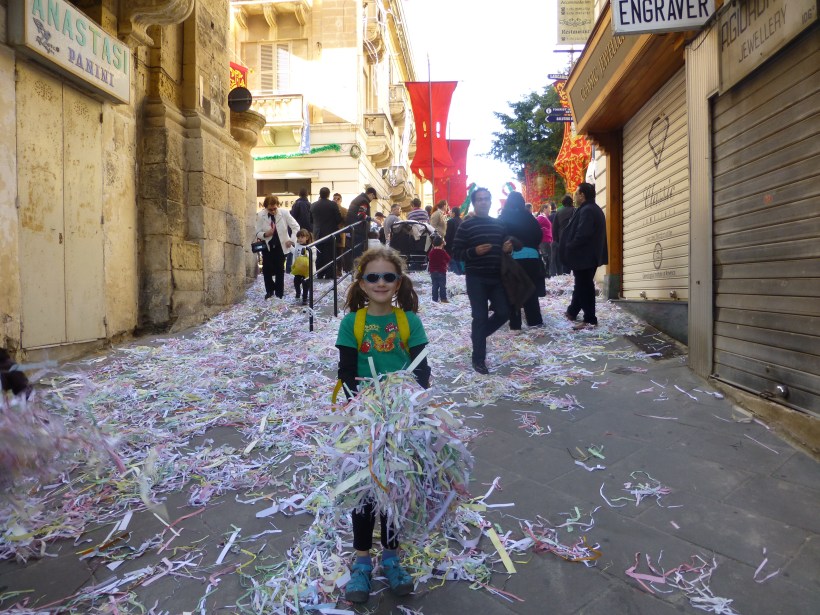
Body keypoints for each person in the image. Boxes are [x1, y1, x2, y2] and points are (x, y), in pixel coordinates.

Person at [335, 246, 430, 604]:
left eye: (388, 276)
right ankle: (361, 561)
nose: (380, 282)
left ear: (398, 282)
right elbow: (346, 373)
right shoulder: (352, 323)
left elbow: (422, 368)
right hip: (364, 418)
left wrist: (411, 405)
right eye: (372, 277)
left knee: (392, 488)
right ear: (360, 283)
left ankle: (391, 556)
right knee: (364, 489)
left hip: (401, 417)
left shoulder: (409, 321)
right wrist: (358, 408)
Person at [452, 188, 514, 374]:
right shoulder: (466, 226)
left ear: (490, 201)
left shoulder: (499, 225)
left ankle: (478, 335)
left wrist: (508, 247)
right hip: (476, 278)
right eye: (480, 199)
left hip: (496, 278)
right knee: (479, 317)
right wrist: (474, 252)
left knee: (504, 312)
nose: (483, 202)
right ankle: (478, 359)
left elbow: (508, 245)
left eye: (486, 199)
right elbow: (455, 252)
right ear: (474, 202)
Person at [560, 182, 608, 330]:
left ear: (582, 195)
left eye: (576, 193)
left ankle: (590, 319)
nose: (574, 196)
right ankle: (572, 311)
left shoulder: (587, 210)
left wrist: (570, 245)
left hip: (584, 256)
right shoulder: (593, 209)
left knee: (585, 287)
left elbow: (583, 233)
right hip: (588, 256)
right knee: (581, 285)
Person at [499, 191, 544, 330]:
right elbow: (539, 235)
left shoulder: (504, 217)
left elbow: (499, 235)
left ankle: (515, 324)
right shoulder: (529, 217)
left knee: (514, 292)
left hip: (513, 259)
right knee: (531, 290)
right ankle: (535, 321)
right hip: (532, 258)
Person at [255, 195, 300, 299]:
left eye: (274, 208)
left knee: (280, 269)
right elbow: (257, 232)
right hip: (268, 246)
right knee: (267, 269)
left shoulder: (284, 213)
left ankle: (279, 293)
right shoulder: (260, 215)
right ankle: (270, 291)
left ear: (277, 206)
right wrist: (265, 234)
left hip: (281, 245)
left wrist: (291, 240)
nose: (273, 211)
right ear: (266, 207)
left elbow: (296, 226)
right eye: (270, 209)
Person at [311, 187, 342, 279]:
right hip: (330, 233)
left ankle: (320, 273)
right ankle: (330, 274)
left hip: (318, 233)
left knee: (319, 254)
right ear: (328, 195)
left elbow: (311, 220)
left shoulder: (313, 205)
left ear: (319, 194)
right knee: (330, 255)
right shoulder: (333, 205)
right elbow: (338, 219)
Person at [346, 187, 378, 260]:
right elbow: (361, 214)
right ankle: (358, 270)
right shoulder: (364, 201)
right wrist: (373, 219)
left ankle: (353, 269)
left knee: (352, 253)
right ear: (371, 194)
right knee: (359, 255)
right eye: (373, 197)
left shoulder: (358, 199)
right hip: (359, 231)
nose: (372, 199)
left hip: (352, 229)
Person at [552, 194, 575, 275]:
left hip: (562, 239)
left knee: (565, 261)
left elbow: (554, 228)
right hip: (574, 238)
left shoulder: (559, 212)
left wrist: (556, 240)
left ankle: (566, 276)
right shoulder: (575, 210)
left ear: (563, 203)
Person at [291, 229, 315, 305]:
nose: (300, 239)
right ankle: (298, 292)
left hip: (307, 270)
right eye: (298, 237)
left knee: (306, 284)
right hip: (298, 269)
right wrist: (293, 265)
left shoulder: (312, 247)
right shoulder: (297, 246)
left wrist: (307, 254)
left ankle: (305, 298)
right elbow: (295, 255)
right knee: (296, 282)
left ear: (307, 238)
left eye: (302, 237)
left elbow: (314, 257)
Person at [427, 234, 451, 303]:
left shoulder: (431, 252)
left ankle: (435, 299)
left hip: (433, 271)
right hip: (441, 271)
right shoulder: (443, 252)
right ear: (442, 244)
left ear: (433, 245)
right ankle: (443, 299)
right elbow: (448, 259)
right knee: (442, 286)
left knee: (435, 285)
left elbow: (429, 259)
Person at [444, 207, 463, 275]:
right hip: (459, 244)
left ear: (454, 213)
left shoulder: (450, 221)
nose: (450, 213)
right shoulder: (461, 221)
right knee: (457, 260)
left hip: (451, 244)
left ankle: (456, 274)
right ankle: (460, 273)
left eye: (451, 212)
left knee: (451, 260)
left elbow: (448, 234)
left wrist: (445, 243)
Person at [536, 205, 553, 278]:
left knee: (548, 257)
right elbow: (536, 226)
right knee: (547, 257)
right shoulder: (541, 217)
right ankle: (546, 273)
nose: (550, 211)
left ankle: (546, 273)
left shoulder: (544, 217)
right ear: (544, 209)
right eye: (549, 209)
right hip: (544, 240)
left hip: (546, 240)